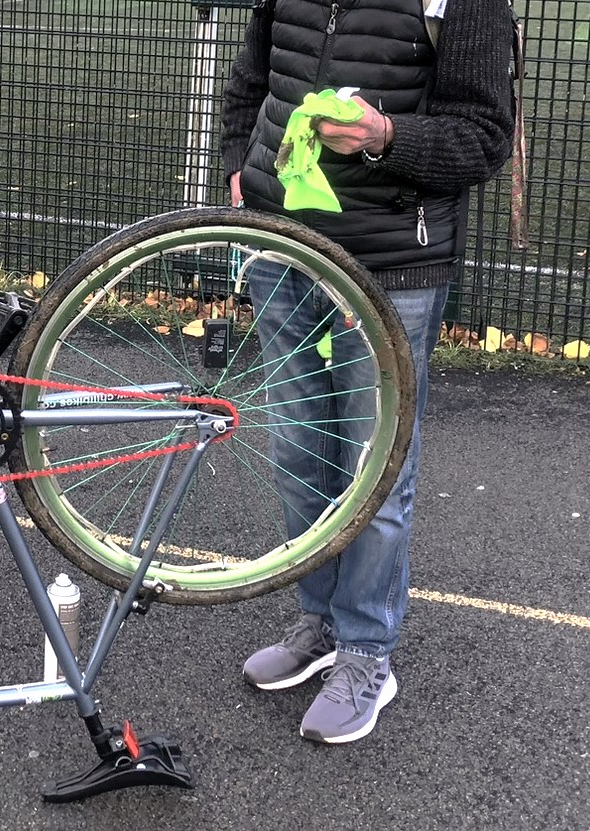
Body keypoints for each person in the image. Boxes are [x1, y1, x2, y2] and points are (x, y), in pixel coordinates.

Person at [220, 0, 515, 743]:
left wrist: (383, 137)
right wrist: (236, 165)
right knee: (297, 452)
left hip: (390, 265)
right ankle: (319, 622)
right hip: (280, 243)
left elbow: (482, 139)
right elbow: (249, 79)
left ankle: (366, 652)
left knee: (375, 470)